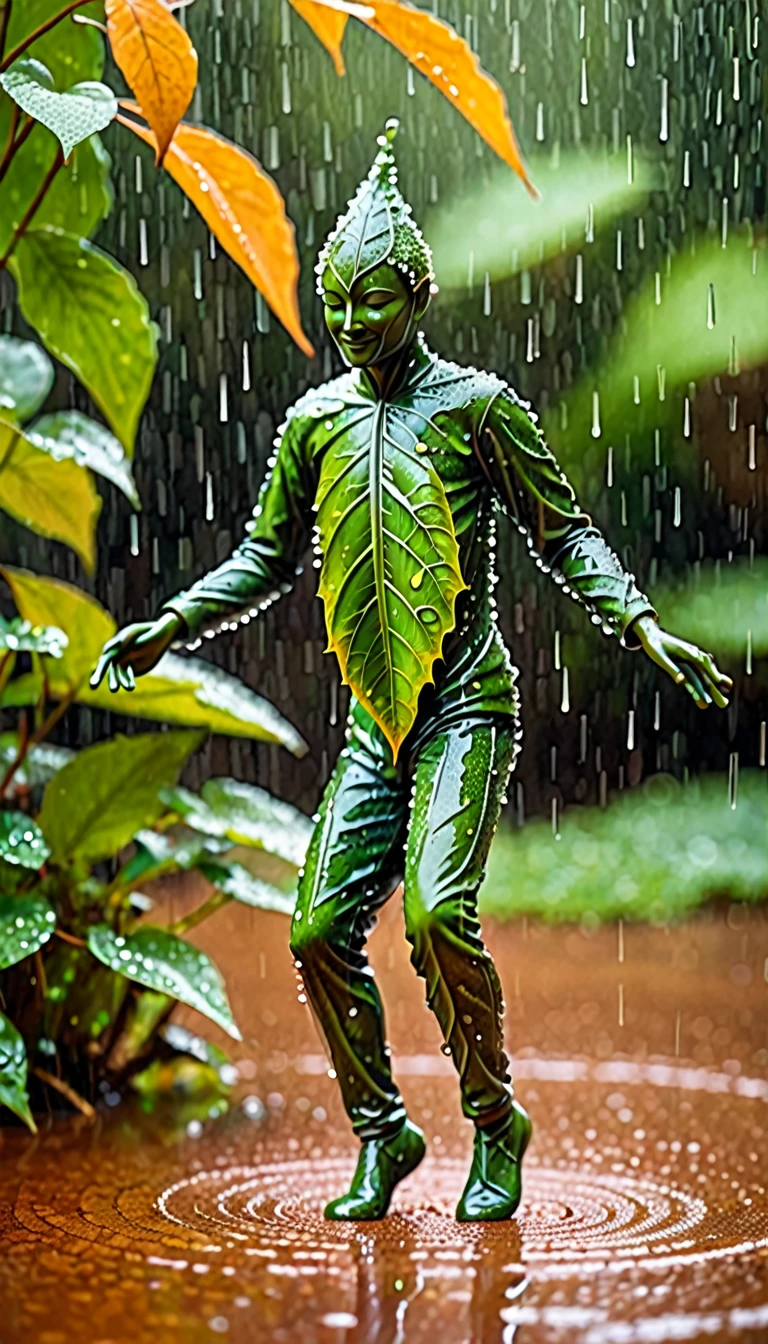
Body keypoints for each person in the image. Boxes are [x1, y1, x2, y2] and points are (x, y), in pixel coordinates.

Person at [92, 120, 732, 1223]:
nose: (349, 326)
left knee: (438, 915)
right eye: (335, 306)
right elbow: (264, 557)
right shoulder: (315, 425)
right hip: (370, 726)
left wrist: (636, 620)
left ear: (416, 297)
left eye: (370, 304)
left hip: (466, 707)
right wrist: (170, 622)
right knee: (314, 931)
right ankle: (381, 1132)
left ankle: (495, 1123)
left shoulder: (478, 410)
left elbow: (564, 533)